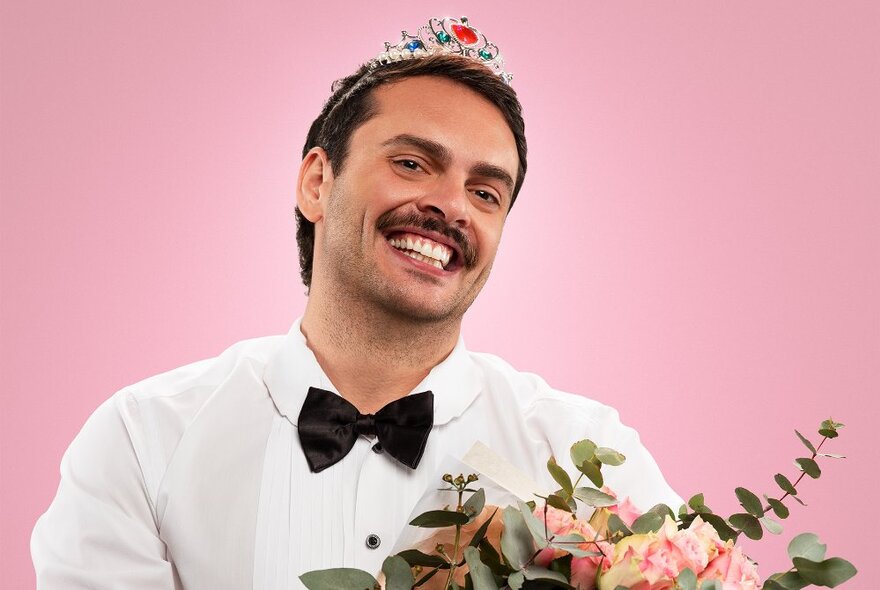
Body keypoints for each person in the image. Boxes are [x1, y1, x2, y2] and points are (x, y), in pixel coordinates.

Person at [31, 16, 680, 589]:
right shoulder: (141, 443)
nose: (452, 206)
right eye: (412, 163)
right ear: (318, 181)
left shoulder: (583, 452)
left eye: (486, 194)